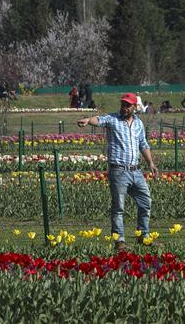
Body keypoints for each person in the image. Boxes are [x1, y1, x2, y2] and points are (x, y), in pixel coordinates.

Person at [76, 93, 158, 251]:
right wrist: (88, 120)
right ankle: (119, 240)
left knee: (145, 202)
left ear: (134, 107)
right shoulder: (113, 119)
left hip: (136, 171)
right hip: (119, 171)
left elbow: (143, 144)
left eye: (128, 105)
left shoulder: (138, 124)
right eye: (123, 105)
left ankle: (143, 236)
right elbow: (99, 120)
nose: (124, 108)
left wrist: (151, 163)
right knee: (119, 207)